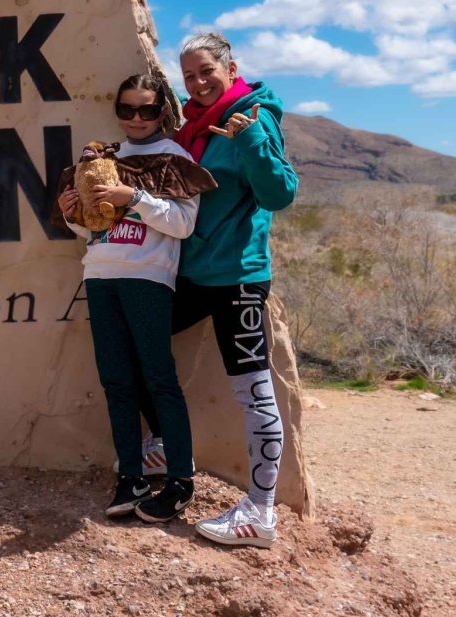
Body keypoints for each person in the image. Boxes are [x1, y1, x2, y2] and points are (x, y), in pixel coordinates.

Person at [137, 32, 299, 548]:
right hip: (190, 273)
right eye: (189, 75)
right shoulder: (193, 128)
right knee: (134, 338)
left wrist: (249, 140)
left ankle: (261, 511)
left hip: (238, 280)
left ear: (231, 68)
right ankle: (162, 445)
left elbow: (279, 193)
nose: (199, 82)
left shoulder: (255, 117)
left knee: (253, 393)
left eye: (207, 71)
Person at [57, 73, 200, 524]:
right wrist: (72, 216)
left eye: (146, 109)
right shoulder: (102, 156)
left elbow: (183, 224)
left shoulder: (173, 156)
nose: (136, 119)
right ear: (116, 111)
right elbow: (94, 228)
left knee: (159, 378)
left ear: (162, 111)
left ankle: (180, 480)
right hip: (100, 274)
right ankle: (131, 478)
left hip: (147, 276)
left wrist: (133, 196)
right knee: (117, 381)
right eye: (126, 109)